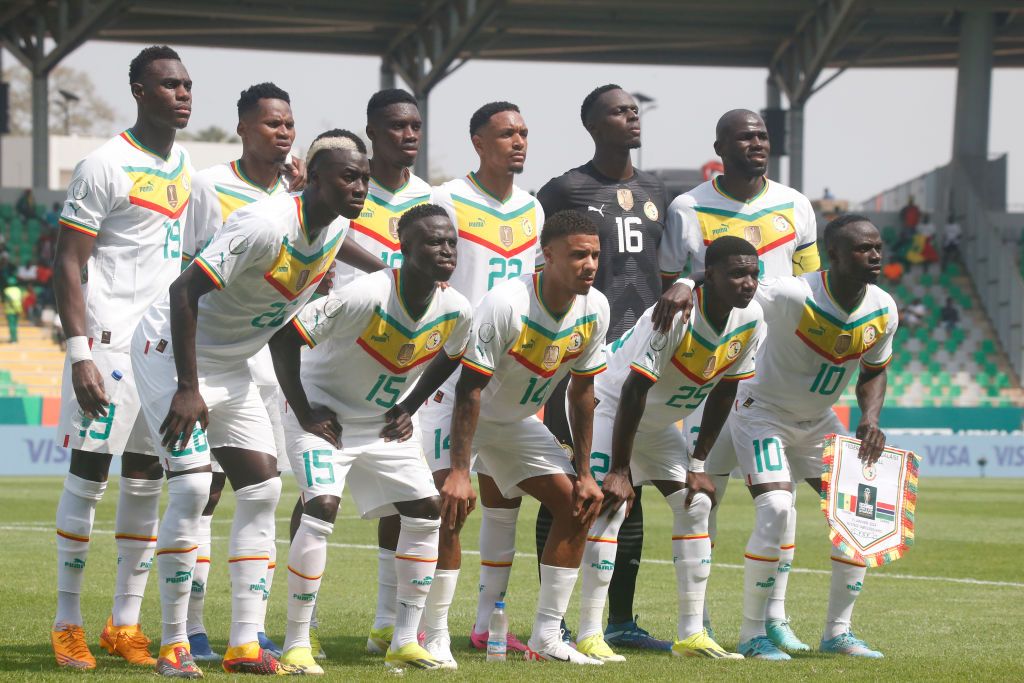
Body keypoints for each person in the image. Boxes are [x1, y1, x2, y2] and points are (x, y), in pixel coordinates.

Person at [131, 129, 369, 678]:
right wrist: (188, 387)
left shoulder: (334, 233)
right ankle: (173, 646)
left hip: (233, 365)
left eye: (364, 178)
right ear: (313, 178)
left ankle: (243, 645)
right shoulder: (265, 223)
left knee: (262, 490)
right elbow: (182, 291)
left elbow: (284, 331)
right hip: (173, 354)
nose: (359, 187)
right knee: (192, 487)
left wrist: (303, 409)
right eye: (347, 176)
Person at [269, 204, 472, 673]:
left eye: (450, 242)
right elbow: (285, 338)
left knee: (425, 512)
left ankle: (403, 639)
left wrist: (410, 406)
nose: (445, 250)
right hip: (325, 419)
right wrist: (303, 410)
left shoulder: (456, 307)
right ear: (404, 247)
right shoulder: (365, 294)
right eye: (433, 242)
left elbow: (454, 353)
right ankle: (297, 642)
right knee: (320, 507)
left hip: (383, 424)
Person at [50, 45, 193, 671]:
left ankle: (124, 625)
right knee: (88, 479)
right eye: (169, 85)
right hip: (106, 345)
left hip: (157, 350)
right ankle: (67, 623)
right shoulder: (103, 164)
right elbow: (68, 263)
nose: (183, 94)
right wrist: (79, 353)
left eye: (187, 84)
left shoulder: (187, 164)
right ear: (138, 91)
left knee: (145, 481)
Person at [658, 108, 820, 649]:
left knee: (782, 500)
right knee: (699, 498)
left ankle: (775, 620)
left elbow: (812, 285)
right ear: (720, 145)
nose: (757, 143)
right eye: (745, 136)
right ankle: (694, 625)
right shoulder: (688, 207)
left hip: (776, 376)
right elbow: (671, 286)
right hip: (714, 371)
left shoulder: (796, 205)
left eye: (762, 136)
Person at [534, 83, 679, 654]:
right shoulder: (565, 188)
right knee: (573, 486)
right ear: (593, 125)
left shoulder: (656, 189)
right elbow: (539, 261)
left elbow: (668, 272)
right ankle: (556, 622)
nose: (632, 117)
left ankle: (619, 620)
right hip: (578, 353)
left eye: (634, 110)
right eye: (619, 111)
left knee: (629, 483)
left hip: (640, 357)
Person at [713, 214, 896, 660]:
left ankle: (838, 632)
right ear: (833, 255)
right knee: (776, 507)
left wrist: (870, 417)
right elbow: (727, 287)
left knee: (859, 516)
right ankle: (753, 633)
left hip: (819, 422)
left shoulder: (884, 309)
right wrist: (683, 285)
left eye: (877, 247)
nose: (874, 255)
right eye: (862, 248)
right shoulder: (793, 293)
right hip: (763, 413)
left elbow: (874, 371)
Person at [579, 236, 762, 661]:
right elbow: (633, 390)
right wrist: (621, 471)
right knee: (611, 506)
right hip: (610, 408)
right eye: (737, 274)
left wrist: (698, 464)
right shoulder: (677, 314)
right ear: (710, 276)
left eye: (753, 273)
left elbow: (724, 393)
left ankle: (691, 635)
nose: (748, 283)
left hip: (657, 425)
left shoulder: (752, 318)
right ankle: (590, 633)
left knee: (696, 504)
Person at [444, 209, 609, 665]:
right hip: (454, 412)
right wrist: (460, 470)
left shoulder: (596, 308)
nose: (590, 264)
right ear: (548, 255)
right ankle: (422, 633)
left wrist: (586, 472)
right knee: (441, 510)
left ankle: (546, 636)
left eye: (595, 254)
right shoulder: (507, 303)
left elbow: (583, 391)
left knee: (578, 506)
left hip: (515, 424)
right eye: (578, 255)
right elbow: (468, 388)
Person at [181, 81, 304, 663]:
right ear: (244, 128)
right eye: (271, 123)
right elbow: (186, 273)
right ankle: (192, 625)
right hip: (211, 355)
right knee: (203, 491)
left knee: (263, 490)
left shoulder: (301, 196)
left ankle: (248, 630)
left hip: (268, 359)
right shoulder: (209, 186)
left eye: (288, 124)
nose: (282, 132)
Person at [421, 101, 543, 664]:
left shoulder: (534, 209)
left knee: (504, 501)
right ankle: (426, 628)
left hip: (511, 372)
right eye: (505, 133)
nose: (517, 142)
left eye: (522, 133)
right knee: (447, 501)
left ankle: (487, 624)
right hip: (452, 370)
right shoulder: (447, 198)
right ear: (477, 141)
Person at [339, 89, 434, 657]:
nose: (410, 135)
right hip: (333, 355)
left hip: (401, 364)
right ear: (372, 130)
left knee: (406, 500)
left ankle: (385, 625)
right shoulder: (349, 186)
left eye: (416, 126)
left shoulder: (432, 198)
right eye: (398, 126)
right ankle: (299, 630)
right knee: (312, 497)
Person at [3, 276, 22, 342]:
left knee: (11, 325)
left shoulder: (6, 290)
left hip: (10, 310)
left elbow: (7, 300)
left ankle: (13, 339)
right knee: (16, 325)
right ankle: (15, 338)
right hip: (18, 309)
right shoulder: (18, 290)